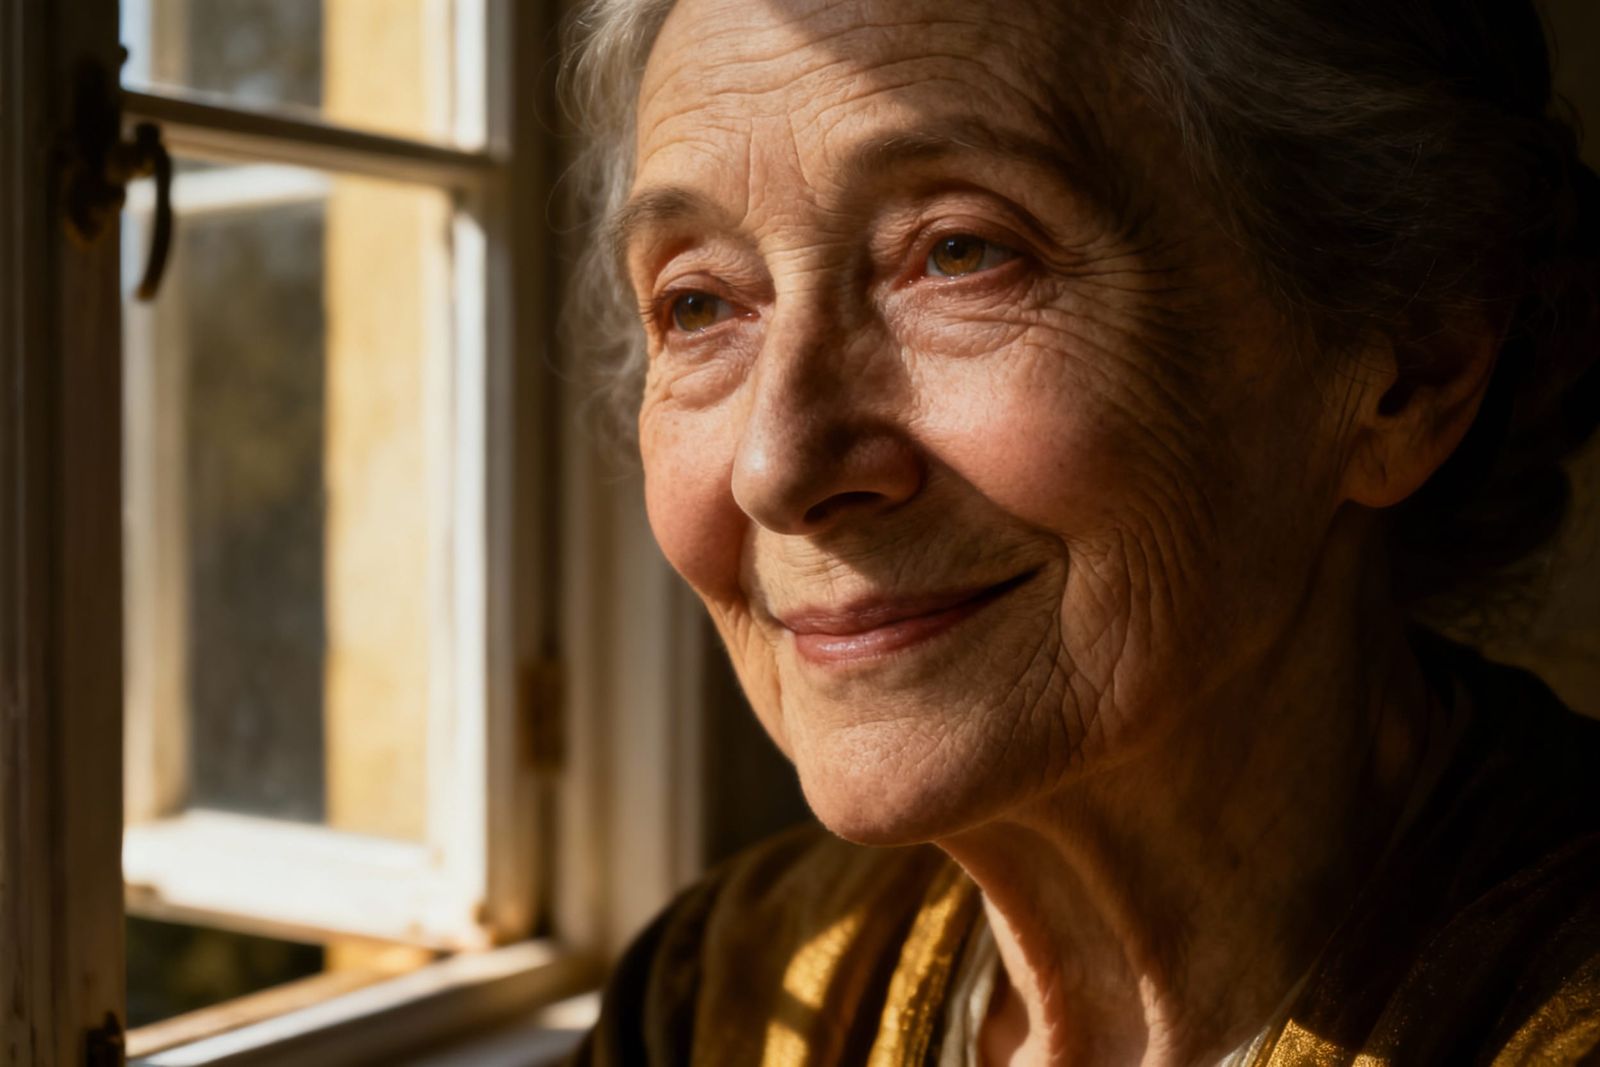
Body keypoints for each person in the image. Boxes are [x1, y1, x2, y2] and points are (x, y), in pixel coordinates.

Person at [562, 0, 1600, 1062]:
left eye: (960, 251)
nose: (776, 468)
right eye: (697, 306)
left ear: (1410, 368)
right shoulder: (714, 994)